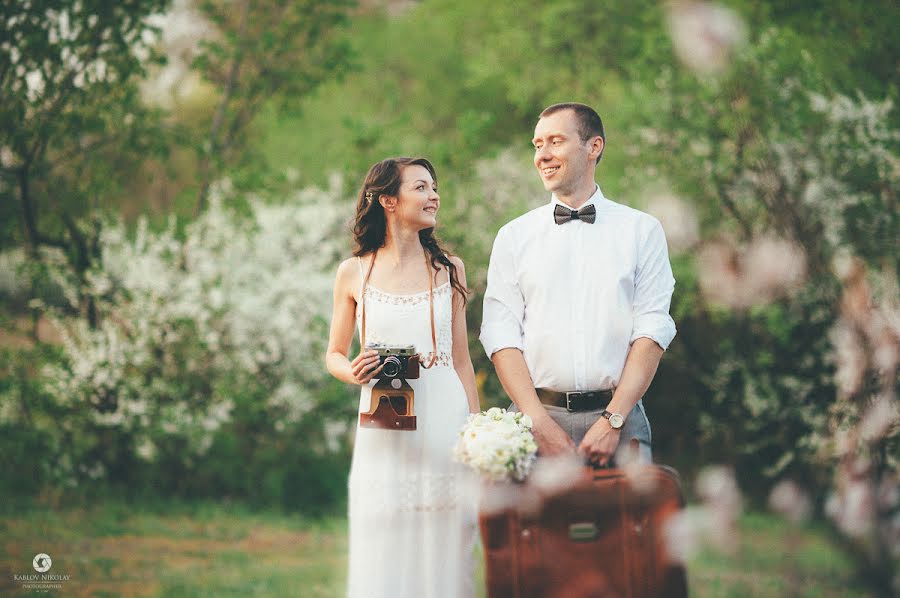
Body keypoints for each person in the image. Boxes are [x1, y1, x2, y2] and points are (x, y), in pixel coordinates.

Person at [480, 102, 677, 467]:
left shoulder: (642, 230)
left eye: (555, 141)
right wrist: (537, 421)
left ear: (594, 147)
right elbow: (500, 335)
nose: (543, 155)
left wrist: (613, 419)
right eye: (537, 145)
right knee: (531, 526)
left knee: (629, 524)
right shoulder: (513, 237)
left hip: (621, 420)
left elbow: (652, 331)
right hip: (534, 422)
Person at [325, 157, 479, 598]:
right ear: (389, 200)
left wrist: (475, 427)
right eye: (421, 188)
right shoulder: (353, 272)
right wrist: (353, 372)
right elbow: (334, 354)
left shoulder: (451, 268)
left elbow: (462, 360)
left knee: (446, 531)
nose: (434, 196)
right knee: (386, 527)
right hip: (384, 421)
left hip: (445, 414)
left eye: (434, 188)